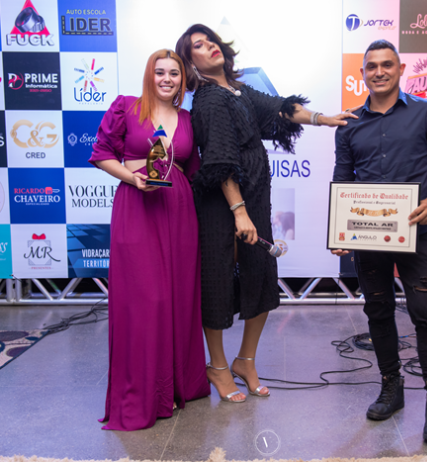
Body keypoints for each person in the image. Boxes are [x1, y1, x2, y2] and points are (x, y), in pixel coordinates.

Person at [175, 24, 357, 403]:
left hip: (255, 196)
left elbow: (281, 108)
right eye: (198, 46)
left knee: (260, 275)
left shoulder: (237, 91)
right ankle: (218, 366)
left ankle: (245, 360)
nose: (210, 46)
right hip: (223, 205)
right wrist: (238, 212)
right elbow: (220, 160)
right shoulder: (209, 100)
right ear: (191, 64)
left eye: (210, 40)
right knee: (217, 283)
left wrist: (322, 118)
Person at [332, 40, 427, 444]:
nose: (380, 72)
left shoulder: (426, 112)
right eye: (372, 66)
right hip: (369, 236)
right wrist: (339, 229)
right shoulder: (349, 122)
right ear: (363, 74)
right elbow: (343, 180)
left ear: (401, 69)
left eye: (387, 65)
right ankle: (391, 386)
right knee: (378, 310)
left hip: (416, 232)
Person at [89, 49, 210, 431]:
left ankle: (175, 386)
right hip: (138, 208)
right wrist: (133, 178)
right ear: (149, 75)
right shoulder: (126, 107)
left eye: (174, 73)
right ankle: (142, 393)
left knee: (179, 298)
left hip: (180, 213)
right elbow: (101, 154)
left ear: (182, 80)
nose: (167, 79)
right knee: (146, 300)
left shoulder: (187, 119)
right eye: (160, 72)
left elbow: (192, 169)